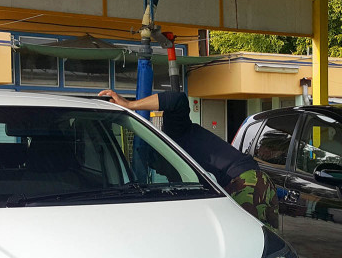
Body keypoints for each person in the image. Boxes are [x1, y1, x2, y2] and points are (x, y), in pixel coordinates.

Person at [97, 90, 279, 228]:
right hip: (256, 181)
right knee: (268, 252)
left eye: (157, 166)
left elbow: (177, 99)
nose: (161, 172)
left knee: (248, 249)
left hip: (245, 183)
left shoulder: (175, 132)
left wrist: (130, 105)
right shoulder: (179, 171)